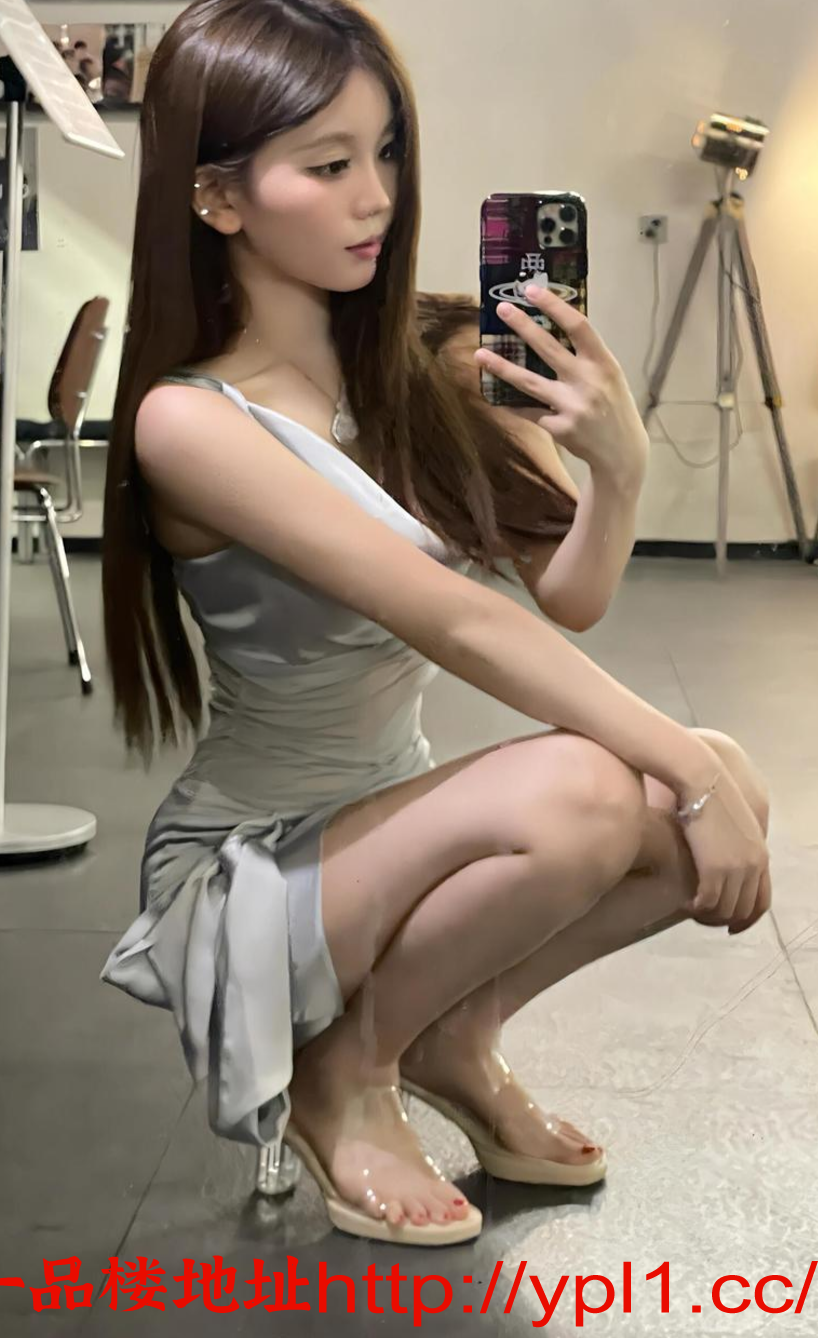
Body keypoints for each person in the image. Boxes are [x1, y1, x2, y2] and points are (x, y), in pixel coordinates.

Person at [99, 0, 771, 1247]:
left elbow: (566, 597)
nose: (377, 198)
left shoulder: (425, 361)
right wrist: (681, 769)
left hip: (396, 827)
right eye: (328, 165)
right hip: (256, 873)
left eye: (388, 153)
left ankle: (451, 1035)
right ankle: (342, 1073)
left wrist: (617, 469)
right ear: (218, 198)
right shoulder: (188, 422)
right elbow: (460, 624)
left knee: (715, 774)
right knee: (622, 783)